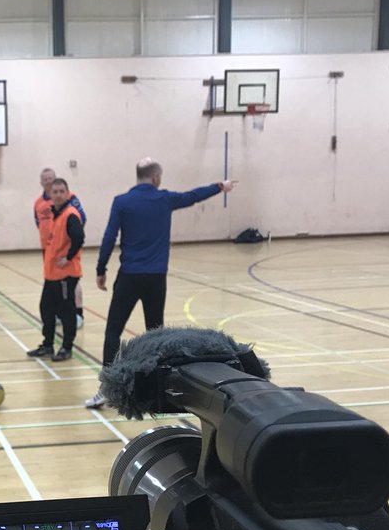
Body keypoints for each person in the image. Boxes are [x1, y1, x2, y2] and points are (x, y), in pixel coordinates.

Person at [84, 159, 237, 408]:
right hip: (156, 278)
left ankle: (106, 389)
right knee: (156, 333)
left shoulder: (121, 201)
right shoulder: (164, 199)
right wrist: (219, 186)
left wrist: (101, 268)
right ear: (155, 177)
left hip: (129, 277)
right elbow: (193, 196)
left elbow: (109, 236)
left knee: (113, 330)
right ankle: (156, 391)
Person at [27, 178, 84, 362]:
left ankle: (67, 347)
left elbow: (79, 238)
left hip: (66, 274)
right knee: (46, 308)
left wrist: (67, 257)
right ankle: (48, 344)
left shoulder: (70, 214)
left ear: (67, 194)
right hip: (52, 274)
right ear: (50, 195)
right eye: (55, 192)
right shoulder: (54, 214)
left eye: (61, 191)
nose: (58, 195)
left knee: (66, 312)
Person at [34, 168, 87, 328]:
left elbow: (80, 219)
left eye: (51, 178)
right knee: (53, 284)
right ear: (41, 182)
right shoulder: (38, 202)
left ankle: (77, 314)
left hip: (67, 250)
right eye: (45, 179)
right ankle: (58, 314)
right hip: (49, 250)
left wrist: (68, 244)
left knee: (70, 282)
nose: (48, 181)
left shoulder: (69, 198)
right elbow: (38, 222)